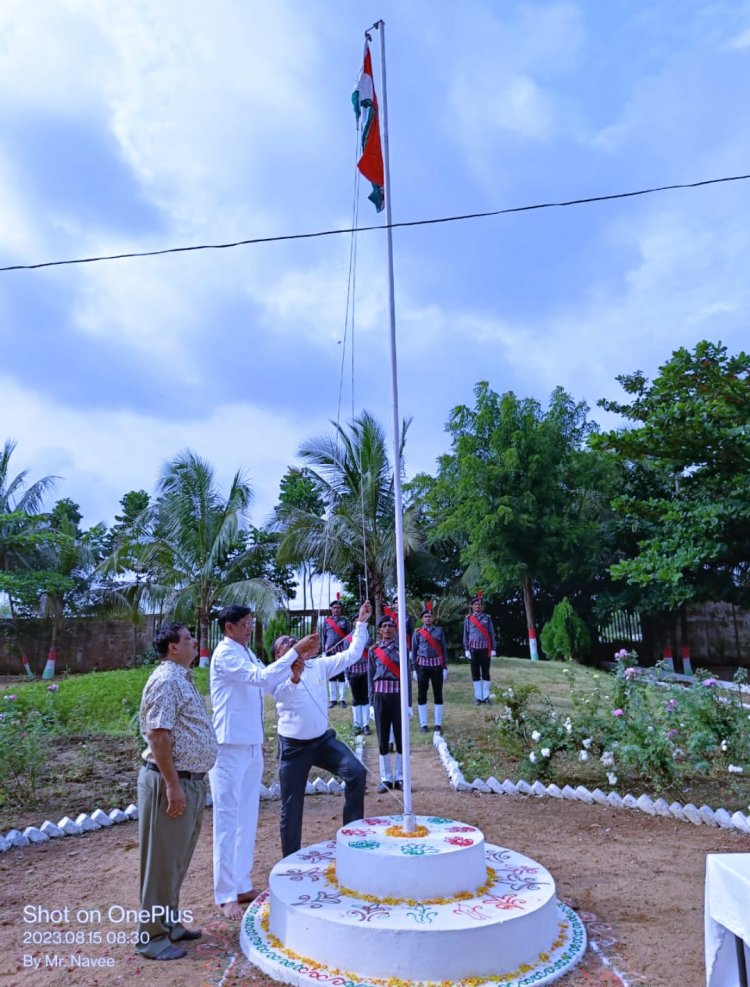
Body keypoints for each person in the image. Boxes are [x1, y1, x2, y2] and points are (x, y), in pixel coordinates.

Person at [209, 605, 319, 919]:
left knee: (246, 817)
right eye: (244, 624)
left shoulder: (247, 652)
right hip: (228, 747)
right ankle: (225, 892)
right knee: (227, 822)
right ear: (229, 627)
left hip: (251, 745)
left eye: (250, 623)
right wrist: (292, 652)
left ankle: (241, 883)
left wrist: (294, 676)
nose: (249, 628)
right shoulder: (226, 654)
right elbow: (260, 677)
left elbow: (271, 686)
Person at [136, 622, 217, 961]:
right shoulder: (167, 680)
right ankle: (151, 938)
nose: (194, 642)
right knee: (162, 863)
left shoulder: (181, 677)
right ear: (172, 647)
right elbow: (158, 735)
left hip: (190, 780)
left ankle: (169, 924)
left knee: (177, 859)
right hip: (173, 781)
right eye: (188, 639)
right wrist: (172, 785)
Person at [270, 600, 372, 857]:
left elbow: (352, 655)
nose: (291, 642)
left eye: (294, 640)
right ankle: (291, 858)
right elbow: (283, 697)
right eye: (285, 642)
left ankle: (351, 842)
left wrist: (361, 622)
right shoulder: (274, 674)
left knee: (357, 773)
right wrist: (293, 676)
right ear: (277, 655)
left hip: (323, 742)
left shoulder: (319, 665)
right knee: (291, 806)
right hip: (293, 748)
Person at [369, 613, 412, 792]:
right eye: (384, 626)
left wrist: (408, 703)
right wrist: (371, 703)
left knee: (401, 738)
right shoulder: (373, 651)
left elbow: (407, 677)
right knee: (383, 739)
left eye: (390, 626)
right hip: (380, 697)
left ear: (395, 629)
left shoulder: (402, 649)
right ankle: (386, 778)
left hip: (397, 697)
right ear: (379, 630)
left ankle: (400, 777)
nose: (387, 628)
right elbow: (370, 677)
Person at [411, 605, 448, 733]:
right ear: (422, 619)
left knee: (438, 694)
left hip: (437, 666)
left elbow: (443, 649)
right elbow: (414, 651)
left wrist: (445, 667)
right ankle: (424, 724)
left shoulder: (439, 631)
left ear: (432, 618)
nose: (427, 618)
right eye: (425, 617)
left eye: (429, 616)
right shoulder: (417, 633)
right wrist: (414, 670)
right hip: (422, 667)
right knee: (422, 695)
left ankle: (438, 724)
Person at [463, 596, 496, 704]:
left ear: (481, 606)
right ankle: (478, 697)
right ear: (472, 606)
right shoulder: (468, 619)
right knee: (475, 673)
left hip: (485, 649)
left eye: (479, 604)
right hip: (473, 650)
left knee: (486, 673)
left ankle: (486, 696)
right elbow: (466, 635)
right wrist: (466, 649)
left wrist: (493, 648)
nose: (477, 606)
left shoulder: (487, 618)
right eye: (475, 604)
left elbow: (491, 634)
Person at [322, 597, 350, 708]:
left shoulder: (345, 621)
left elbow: (348, 637)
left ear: (340, 609)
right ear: (331, 609)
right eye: (334, 608)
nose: (336, 609)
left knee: (342, 676)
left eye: (338, 607)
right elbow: (323, 637)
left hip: (341, 651)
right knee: (332, 676)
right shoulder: (326, 622)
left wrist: (347, 649)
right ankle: (333, 699)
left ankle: (342, 699)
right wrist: (323, 651)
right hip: (329, 652)